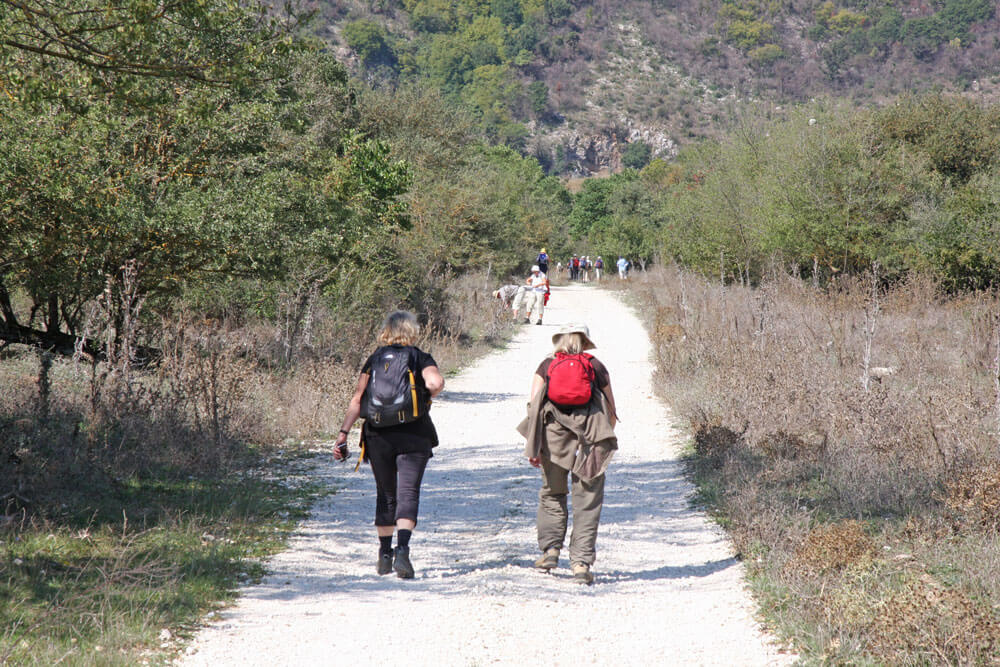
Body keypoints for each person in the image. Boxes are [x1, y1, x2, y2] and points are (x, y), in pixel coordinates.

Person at [333, 311, 445, 579]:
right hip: (414, 434)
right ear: (412, 331)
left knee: (385, 494)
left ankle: (384, 555)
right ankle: (403, 551)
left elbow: (358, 399)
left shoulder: (375, 359)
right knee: (408, 492)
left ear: (387, 330)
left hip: (378, 435)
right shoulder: (419, 356)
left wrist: (343, 434)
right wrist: (424, 396)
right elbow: (435, 382)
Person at [517, 324, 618, 585]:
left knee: (552, 492)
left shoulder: (546, 365)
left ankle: (550, 551)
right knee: (588, 500)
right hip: (591, 436)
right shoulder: (595, 365)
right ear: (584, 341)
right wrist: (602, 439)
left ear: (559, 340)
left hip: (553, 437)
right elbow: (611, 409)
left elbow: (534, 408)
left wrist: (535, 444)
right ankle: (581, 564)